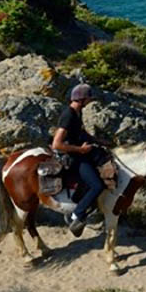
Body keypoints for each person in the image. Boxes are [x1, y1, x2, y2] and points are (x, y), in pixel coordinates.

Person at [51, 83, 106, 237]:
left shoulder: (77, 112)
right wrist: (80, 150)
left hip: (78, 152)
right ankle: (77, 214)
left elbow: (80, 133)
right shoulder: (68, 115)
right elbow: (57, 143)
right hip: (71, 156)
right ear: (82, 99)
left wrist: (98, 141)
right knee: (97, 185)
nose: (89, 102)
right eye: (88, 98)